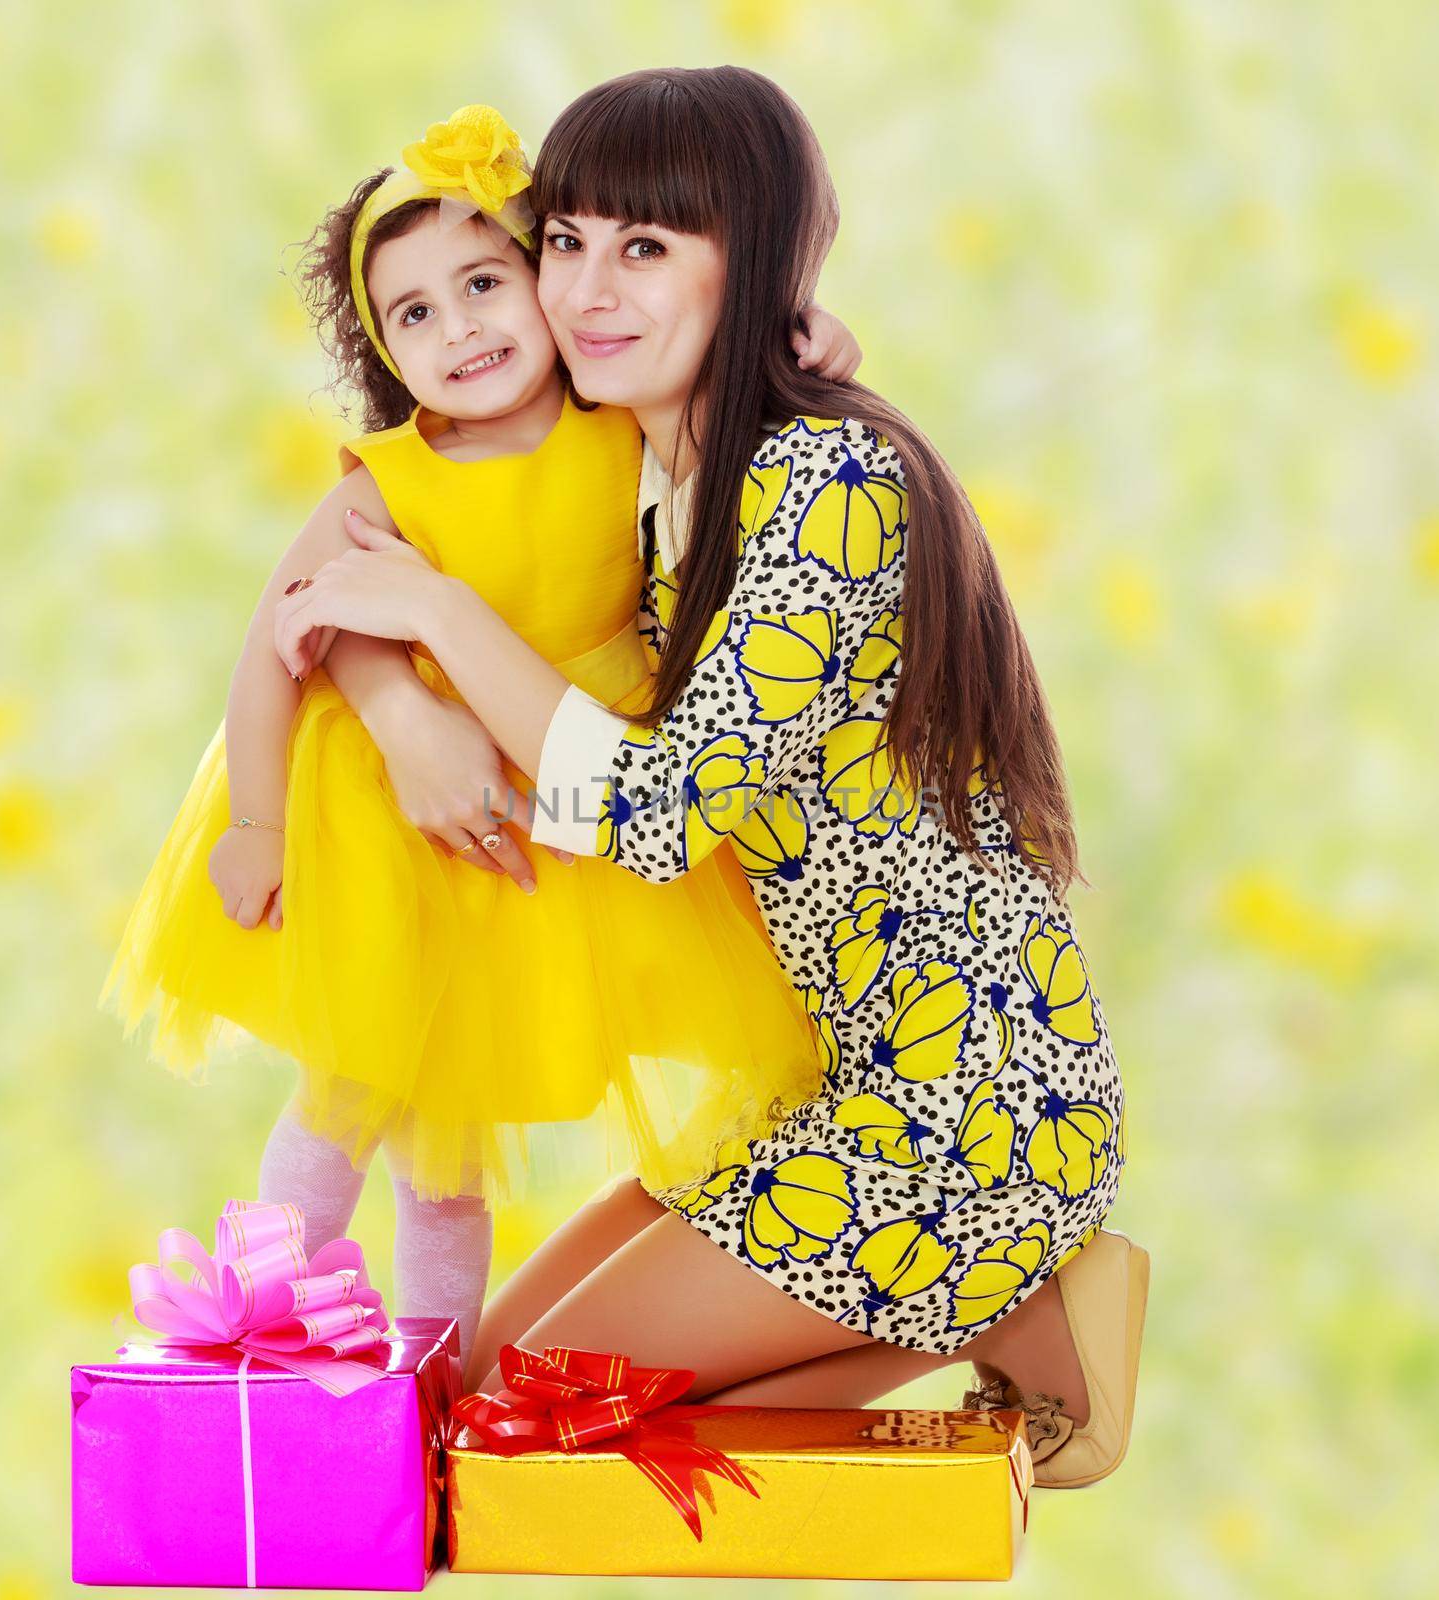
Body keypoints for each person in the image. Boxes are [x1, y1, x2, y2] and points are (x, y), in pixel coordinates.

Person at [273, 67, 1148, 1489]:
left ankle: (1017, 1300)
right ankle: (1010, 1304)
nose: (584, 293)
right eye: (564, 242)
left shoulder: (831, 482)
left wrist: (436, 620)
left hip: (966, 1119)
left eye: (648, 249)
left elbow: (661, 816)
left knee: (517, 1437)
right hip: (838, 1102)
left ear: (749, 268)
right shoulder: (662, 470)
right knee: (478, 1399)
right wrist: (393, 705)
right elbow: (317, 588)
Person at [99, 102, 860, 1370]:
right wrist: (256, 821)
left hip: (551, 809)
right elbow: (276, 635)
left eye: (483, 284)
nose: (459, 331)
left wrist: (811, 338)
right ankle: (245, 1338)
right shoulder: (393, 480)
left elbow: (743, 392)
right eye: (414, 315)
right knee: (352, 1087)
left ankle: (433, 1388)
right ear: (383, 352)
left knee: (449, 1162)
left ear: (546, 288)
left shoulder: (618, 427)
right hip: (390, 828)